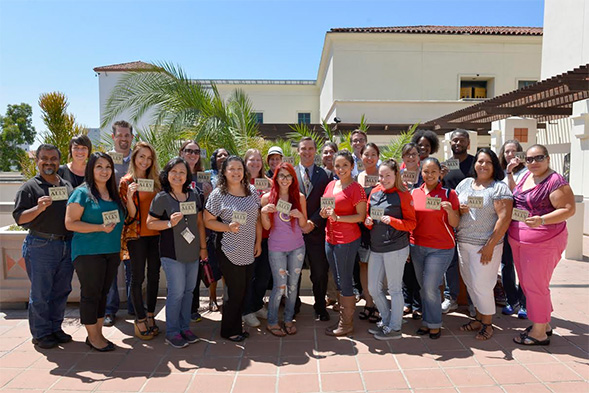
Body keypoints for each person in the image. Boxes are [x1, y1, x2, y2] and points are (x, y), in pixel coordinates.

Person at [510, 145, 575, 346]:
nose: (534, 162)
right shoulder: (524, 176)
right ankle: (543, 324)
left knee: (535, 285)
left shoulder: (555, 181)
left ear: (547, 158)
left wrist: (542, 220)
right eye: (529, 159)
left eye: (539, 158)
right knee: (530, 284)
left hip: (544, 241)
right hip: (520, 240)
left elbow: (568, 209)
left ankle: (538, 333)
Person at [13, 144, 75, 349]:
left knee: (62, 290)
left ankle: (55, 328)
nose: (49, 163)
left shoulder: (66, 185)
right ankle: (40, 333)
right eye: (44, 159)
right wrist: (38, 208)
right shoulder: (30, 187)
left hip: (66, 245)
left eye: (53, 159)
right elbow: (20, 218)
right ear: (37, 161)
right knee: (41, 293)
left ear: (59, 161)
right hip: (41, 245)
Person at [65, 152, 124, 351]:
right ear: (91, 168)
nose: (104, 171)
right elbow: (70, 223)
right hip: (88, 252)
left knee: (103, 293)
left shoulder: (113, 193)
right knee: (91, 294)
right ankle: (93, 337)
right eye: (99, 166)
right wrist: (99, 227)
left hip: (112, 251)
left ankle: (97, 334)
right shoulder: (81, 193)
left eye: (108, 167)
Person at [146, 157, 208, 348]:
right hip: (171, 253)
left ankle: (184, 328)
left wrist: (203, 248)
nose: (178, 175)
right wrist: (168, 223)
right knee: (176, 292)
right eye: (174, 172)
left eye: (182, 172)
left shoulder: (194, 195)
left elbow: (199, 223)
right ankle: (172, 332)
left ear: (187, 175)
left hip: (192, 251)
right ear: (167, 174)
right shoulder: (162, 197)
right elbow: (150, 223)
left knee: (189, 291)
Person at [456, 148, 513, 341]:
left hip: (486, 246)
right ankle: (479, 318)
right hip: (463, 243)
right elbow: (455, 208)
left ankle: (488, 324)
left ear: (494, 165)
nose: (483, 165)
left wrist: (490, 245)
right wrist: (459, 209)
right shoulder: (464, 184)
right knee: (471, 283)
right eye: (480, 161)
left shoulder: (499, 188)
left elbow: (504, 219)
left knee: (483, 285)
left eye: (488, 162)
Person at [204, 156, 262, 342]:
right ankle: (229, 330)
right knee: (234, 291)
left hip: (249, 248)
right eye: (232, 169)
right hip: (228, 248)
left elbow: (257, 219)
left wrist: (258, 242)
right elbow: (208, 221)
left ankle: (236, 326)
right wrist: (227, 227)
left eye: (239, 168)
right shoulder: (218, 194)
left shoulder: (252, 191)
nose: (236, 172)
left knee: (243, 289)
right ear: (224, 172)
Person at [364, 159, 416, 340]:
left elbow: (412, 223)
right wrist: (368, 222)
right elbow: (370, 216)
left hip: (396, 248)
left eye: (388, 176)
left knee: (394, 289)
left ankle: (395, 328)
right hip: (376, 248)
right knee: (373, 289)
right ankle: (386, 320)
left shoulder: (403, 194)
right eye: (381, 175)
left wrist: (392, 221)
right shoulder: (375, 192)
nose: (384, 179)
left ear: (396, 176)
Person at [410, 157, 460, 339]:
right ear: (420, 172)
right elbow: (411, 222)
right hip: (417, 246)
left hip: (441, 248)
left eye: (433, 171)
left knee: (431, 286)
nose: (429, 175)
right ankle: (427, 320)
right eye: (425, 171)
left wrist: (450, 211)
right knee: (424, 287)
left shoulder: (449, 194)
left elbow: (455, 222)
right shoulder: (414, 193)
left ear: (440, 173)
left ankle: (434, 323)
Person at [321, 150, 367, 336]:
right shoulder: (331, 185)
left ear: (352, 166)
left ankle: (346, 324)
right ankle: (342, 319)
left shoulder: (356, 188)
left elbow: (361, 216)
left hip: (347, 240)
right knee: (338, 278)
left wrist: (337, 217)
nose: (341, 169)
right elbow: (325, 206)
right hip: (329, 238)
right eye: (338, 165)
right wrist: (325, 213)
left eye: (345, 165)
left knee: (345, 279)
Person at [119, 142, 161, 340]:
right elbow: (130, 216)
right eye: (141, 156)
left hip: (156, 235)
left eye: (149, 157)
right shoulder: (126, 182)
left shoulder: (156, 180)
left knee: (154, 276)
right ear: (134, 158)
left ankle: (151, 314)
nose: (145, 161)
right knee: (137, 278)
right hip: (136, 236)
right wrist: (129, 197)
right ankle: (140, 318)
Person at [260, 163, 307, 336]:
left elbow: (304, 224)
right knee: (279, 286)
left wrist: (300, 216)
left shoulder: (299, 197)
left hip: (297, 247)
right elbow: (266, 227)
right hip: (277, 248)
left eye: (288, 176)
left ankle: (288, 319)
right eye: (282, 176)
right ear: (276, 178)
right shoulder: (267, 198)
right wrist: (264, 212)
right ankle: (272, 321)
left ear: (293, 178)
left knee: (293, 286)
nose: (285, 179)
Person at [179, 140, 220, 319]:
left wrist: (208, 195)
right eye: (189, 151)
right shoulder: (175, 172)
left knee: (194, 271)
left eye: (196, 151)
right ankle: (179, 310)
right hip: (177, 230)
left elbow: (207, 206)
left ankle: (192, 309)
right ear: (182, 152)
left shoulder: (203, 177)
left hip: (198, 230)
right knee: (180, 273)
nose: (193, 154)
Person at [294, 137, 333, 321]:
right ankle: (293, 306)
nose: (307, 152)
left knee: (319, 273)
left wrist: (312, 222)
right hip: (293, 233)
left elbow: (328, 202)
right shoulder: (290, 174)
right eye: (303, 149)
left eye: (310, 149)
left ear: (315, 151)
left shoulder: (325, 174)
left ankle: (320, 307)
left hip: (317, 232)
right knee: (294, 273)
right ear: (298, 151)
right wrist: (300, 223)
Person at [440, 129, 475, 314]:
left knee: (470, 261)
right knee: (451, 260)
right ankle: (450, 298)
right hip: (450, 220)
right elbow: (439, 190)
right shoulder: (445, 166)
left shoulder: (476, 163)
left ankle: (473, 301)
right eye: (454, 140)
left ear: (468, 143)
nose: (457, 143)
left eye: (461, 140)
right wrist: (440, 177)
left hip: (473, 219)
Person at [104, 120, 135, 326]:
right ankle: (109, 310)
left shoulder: (139, 158)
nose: (123, 139)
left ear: (132, 137)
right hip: (111, 219)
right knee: (111, 267)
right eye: (120, 135)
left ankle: (135, 307)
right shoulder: (104, 159)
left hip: (133, 219)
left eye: (127, 135)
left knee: (133, 264)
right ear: (113, 137)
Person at [241, 149, 272, 327]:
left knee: (263, 276)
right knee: (249, 276)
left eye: (258, 160)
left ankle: (257, 304)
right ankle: (246, 310)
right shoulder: (240, 183)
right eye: (251, 160)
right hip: (246, 236)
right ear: (245, 162)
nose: (255, 163)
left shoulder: (268, 183)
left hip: (268, 236)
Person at [498, 140, 528, 318]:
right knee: (506, 264)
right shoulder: (498, 172)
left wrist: (510, 172)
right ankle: (511, 300)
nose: (510, 154)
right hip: (504, 224)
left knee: (523, 266)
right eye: (507, 151)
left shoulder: (527, 172)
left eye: (513, 151)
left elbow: (514, 193)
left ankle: (525, 303)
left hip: (521, 223)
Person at [356, 143, 380, 323]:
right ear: (361, 156)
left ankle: (379, 304)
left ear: (378, 157)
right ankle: (369, 302)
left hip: (381, 228)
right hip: (362, 229)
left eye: (373, 154)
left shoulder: (384, 175)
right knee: (364, 265)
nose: (369, 158)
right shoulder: (358, 177)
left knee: (379, 267)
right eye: (366, 154)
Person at [400, 142, 423, 320]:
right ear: (403, 158)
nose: (411, 157)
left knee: (418, 268)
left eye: (414, 154)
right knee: (405, 267)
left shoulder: (425, 174)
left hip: (421, 226)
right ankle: (407, 302)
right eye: (408, 155)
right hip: (402, 227)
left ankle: (418, 304)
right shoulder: (398, 177)